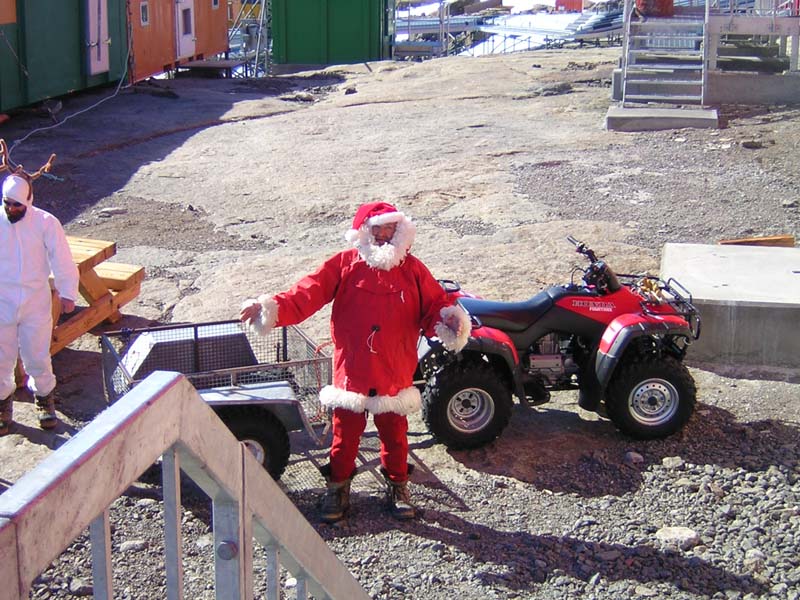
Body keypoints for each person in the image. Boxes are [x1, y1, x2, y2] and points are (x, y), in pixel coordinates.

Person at [241, 201, 470, 522]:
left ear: (399, 231)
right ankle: (337, 489)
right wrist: (268, 308)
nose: (382, 235)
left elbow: (434, 306)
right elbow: (306, 293)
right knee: (344, 434)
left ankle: (398, 487)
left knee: (394, 435)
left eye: (389, 229)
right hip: (353, 370)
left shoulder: (414, 269)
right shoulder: (345, 264)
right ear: (364, 231)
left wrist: (449, 320)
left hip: (394, 370)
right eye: (376, 229)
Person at [0, 172, 78, 435]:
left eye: (17, 205)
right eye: (7, 203)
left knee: (37, 355)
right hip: (2, 300)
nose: (11, 209)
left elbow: (62, 258)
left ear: (29, 201)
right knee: (1, 358)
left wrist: (68, 292)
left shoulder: (46, 223)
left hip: (35, 300)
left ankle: (44, 398)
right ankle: (2, 403)